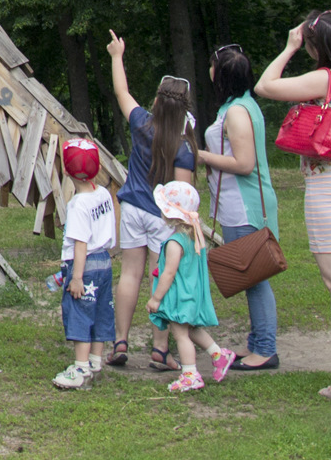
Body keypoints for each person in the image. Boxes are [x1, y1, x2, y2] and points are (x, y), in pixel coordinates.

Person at [255, 10, 331, 399]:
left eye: (308, 42)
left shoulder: (326, 80)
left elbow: (265, 86)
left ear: (317, 44)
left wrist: (288, 48)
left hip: (329, 188)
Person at [104, 31, 197, 371]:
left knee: (130, 274)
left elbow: (121, 92)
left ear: (157, 101)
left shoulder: (142, 123)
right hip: (163, 219)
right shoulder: (183, 148)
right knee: (161, 279)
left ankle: (120, 342)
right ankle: (160, 349)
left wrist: (117, 56)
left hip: (131, 210)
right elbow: (182, 198)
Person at [198, 42, 280, 370]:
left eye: (212, 66)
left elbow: (244, 163)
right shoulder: (240, 105)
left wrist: (201, 156)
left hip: (244, 207)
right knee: (249, 277)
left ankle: (266, 350)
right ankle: (257, 343)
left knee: (254, 278)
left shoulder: (236, 112)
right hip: (236, 205)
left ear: (221, 76)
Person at [146, 180, 237, 393]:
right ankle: (219, 355)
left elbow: (168, 273)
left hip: (180, 298)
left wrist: (156, 298)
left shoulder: (175, 242)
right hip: (192, 295)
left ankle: (190, 375)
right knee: (193, 329)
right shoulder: (193, 236)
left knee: (180, 335)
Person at [52, 138, 117, 390]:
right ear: (98, 169)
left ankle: (80, 369)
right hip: (104, 262)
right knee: (101, 310)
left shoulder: (78, 205)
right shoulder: (102, 194)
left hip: (85, 265)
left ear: (67, 172)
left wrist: (76, 277)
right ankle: (95, 361)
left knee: (80, 312)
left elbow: (80, 244)